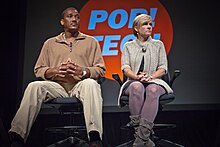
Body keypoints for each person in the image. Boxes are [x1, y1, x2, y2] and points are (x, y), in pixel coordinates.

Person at [8, 7, 105, 147]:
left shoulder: (91, 42)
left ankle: (95, 136)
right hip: (57, 86)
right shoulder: (50, 43)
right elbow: (39, 69)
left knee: (91, 84)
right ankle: (17, 136)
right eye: (70, 16)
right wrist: (54, 71)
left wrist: (82, 71)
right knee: (34, 86)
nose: (74, 19)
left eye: (77, 17)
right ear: (62, 21)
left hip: (80, 85)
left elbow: (100, 69)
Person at [118, 14, 173, 147]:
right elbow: (125, 68)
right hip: (133, 81)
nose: (149, 27)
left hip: (155, 81)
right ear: (136, 29)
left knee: (152, 89)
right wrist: (136, 77)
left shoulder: (158, 44)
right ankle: (144, 139)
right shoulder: (128, 46)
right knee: (137, 87)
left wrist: (151, 77)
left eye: (150, 24)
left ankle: (140, 139)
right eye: (145, 24)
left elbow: (163, 68)